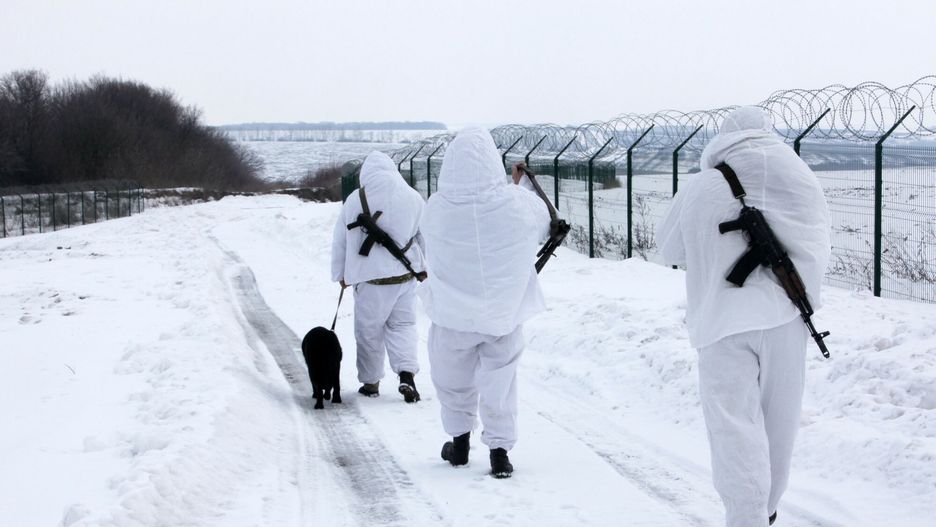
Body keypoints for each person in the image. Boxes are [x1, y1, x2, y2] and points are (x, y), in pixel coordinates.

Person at [656, 106, 831, 526]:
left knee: (734, 427)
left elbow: (669, 250)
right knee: (778, 426)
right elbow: (819, 239)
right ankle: (766, 511)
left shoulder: (701, 186)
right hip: (786, 316)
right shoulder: (800, 174)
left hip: (721, 321)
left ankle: (746, 516)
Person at [419, 127, 551, 478]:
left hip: (451, 318)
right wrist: (517, 184)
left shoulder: (435, 209)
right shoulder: (517, 204)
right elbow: (540, 218)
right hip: (501, 316)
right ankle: (499, 452)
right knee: (501, 381)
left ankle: (459, 444)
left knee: (452, 380)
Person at [331, 151, 427, 403]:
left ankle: (371, 383)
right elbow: (423, 235)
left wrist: (341, 274)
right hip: (404, 277)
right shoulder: (413, 197)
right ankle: (407, 374)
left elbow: (340, 241)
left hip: (370, 281)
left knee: (369, 332)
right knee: (404, 326)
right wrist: (425, 267)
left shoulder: (354, 200)